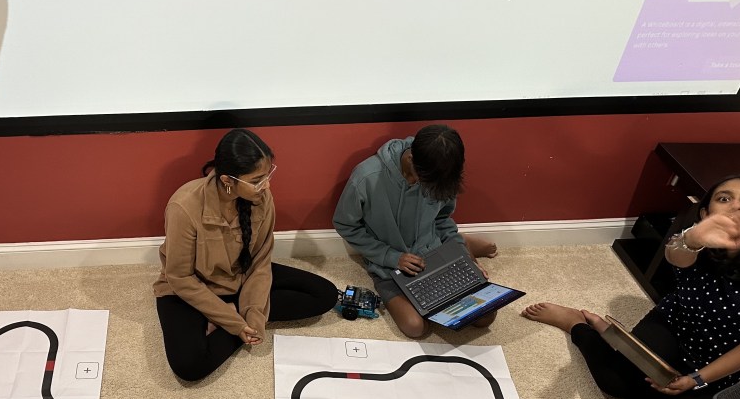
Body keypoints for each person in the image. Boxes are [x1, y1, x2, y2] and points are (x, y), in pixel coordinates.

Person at [522, 174, 740, 399]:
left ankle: (613, 337)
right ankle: (577, 324)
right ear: (706, 213)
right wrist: (693, 238)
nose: (736, 207)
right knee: (614, 382)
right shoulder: (697, 241)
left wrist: (697, 379)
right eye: (724, 199)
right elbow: (674, 256)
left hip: (718, 358)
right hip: (672, 324)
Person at [154, 128, 338, 381]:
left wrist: (254, 314)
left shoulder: (262, 198)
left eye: (268, 174)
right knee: (189, 366)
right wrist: (236, 324)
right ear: (228, 180)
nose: (267, 185)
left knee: (325, 295)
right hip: (191, 287)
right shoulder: (184, 206)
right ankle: (224, 313)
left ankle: (225, 314)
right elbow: (180, 277)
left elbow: (260, 263)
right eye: (256, 180)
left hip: (240, 275)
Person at [333, 124, 497, 339]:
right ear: (411, 158)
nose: (420, 184)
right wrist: (391, 256)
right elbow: (345, 224)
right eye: (422, 179)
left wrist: (463, 257)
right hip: (391, 263)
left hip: (434, 252)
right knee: (416, 327)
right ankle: (468, 243)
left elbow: (442, 219)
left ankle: (464, 244)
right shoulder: (367, 176)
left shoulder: (442, 174)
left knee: (485, 317)